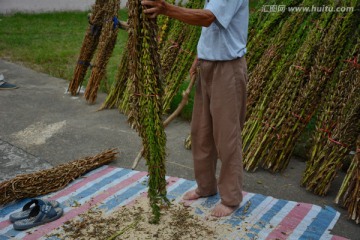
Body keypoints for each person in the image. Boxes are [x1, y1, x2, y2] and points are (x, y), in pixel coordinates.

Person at [142, 0, 249, 217]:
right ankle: (206, 187)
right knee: (200, 132)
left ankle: (230, 199)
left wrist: (166, 9)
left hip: (227, 69)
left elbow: (207, 17)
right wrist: (199, 55)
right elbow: (211, 29)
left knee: (226, 137)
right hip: (207, 65)